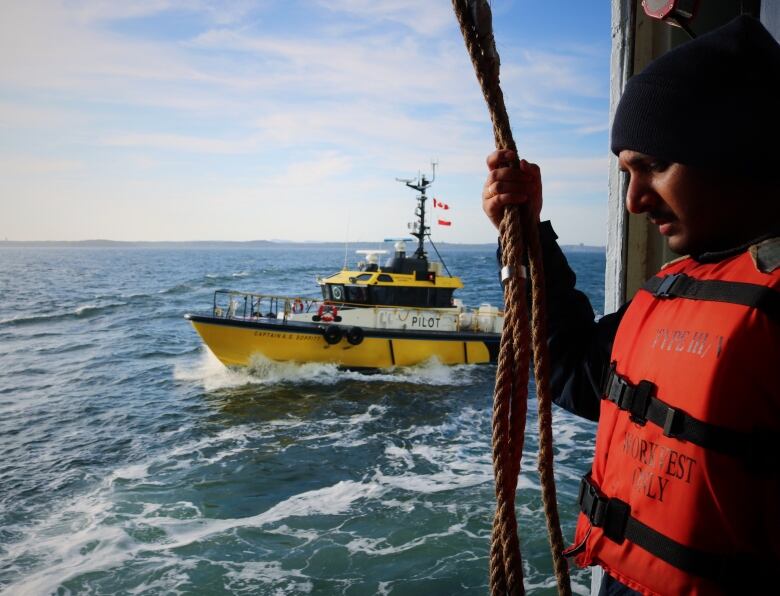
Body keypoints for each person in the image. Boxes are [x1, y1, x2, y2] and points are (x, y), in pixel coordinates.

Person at [481, 15, 779, 596]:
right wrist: (527, 230)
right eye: (626, 173)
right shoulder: (673, 293)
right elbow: (567, 368)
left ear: (734, 150)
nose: (635, 200)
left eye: (654, 166)